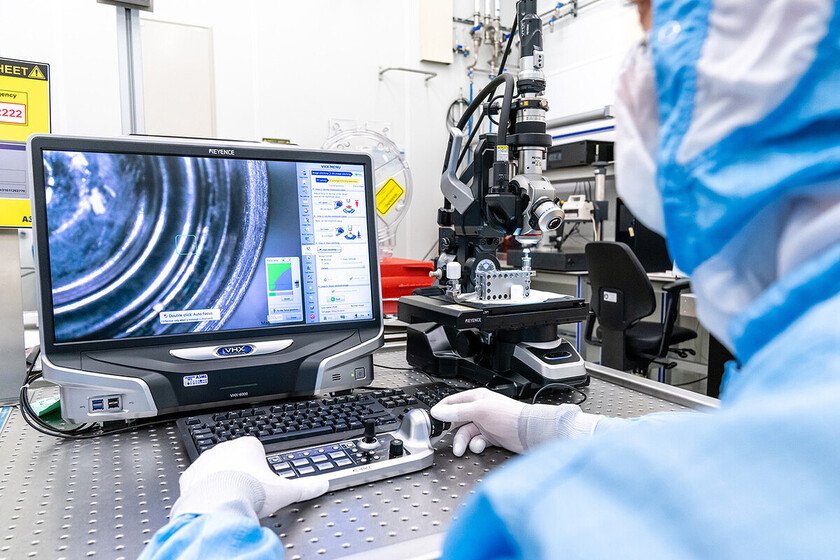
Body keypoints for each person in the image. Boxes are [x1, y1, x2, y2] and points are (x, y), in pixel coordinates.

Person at [141, 0, 840, 557]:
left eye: (650, 45)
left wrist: (212, 511)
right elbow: (748, 464)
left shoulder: (566, 522)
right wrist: (551, 426)